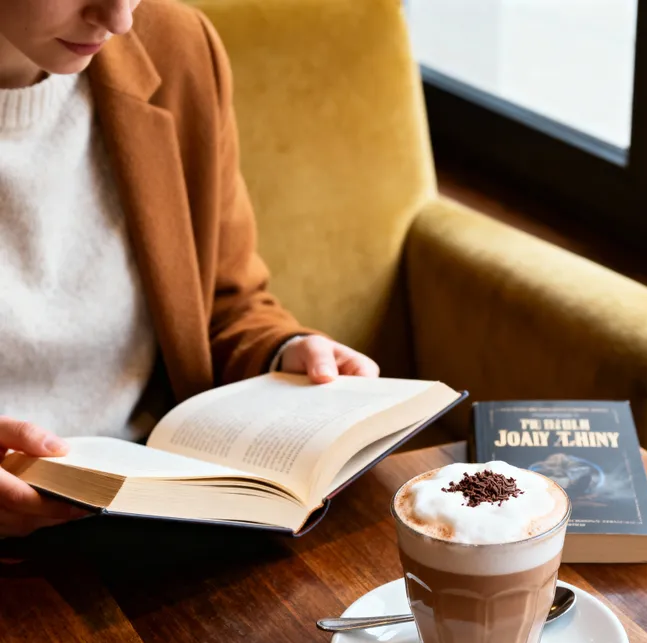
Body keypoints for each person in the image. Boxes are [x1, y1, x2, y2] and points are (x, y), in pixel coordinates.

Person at [0, 0, 379, 538]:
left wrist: (281, 354)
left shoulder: (175, 49)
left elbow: (227, 304)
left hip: (157, 525)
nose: (118, 19)